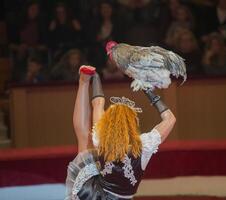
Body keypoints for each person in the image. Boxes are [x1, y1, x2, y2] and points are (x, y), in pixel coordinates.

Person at [65, 65, 176, 199]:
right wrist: (147, 89)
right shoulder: (144, 146)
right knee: (85, 145)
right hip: (106, 194)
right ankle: (84, 81)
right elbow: (170, 119)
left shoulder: (101, 138)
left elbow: (98, 104)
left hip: (94, 194)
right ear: (134, 123)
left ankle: (84, 81)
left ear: (108, 123)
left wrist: (96, 77)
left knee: (84, 141)